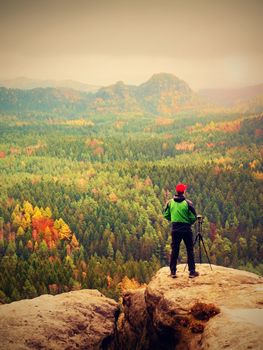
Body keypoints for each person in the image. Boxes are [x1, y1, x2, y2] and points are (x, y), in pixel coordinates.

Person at [164, 183, 199, 278]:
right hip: (186, 229)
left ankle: (173, 272)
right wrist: (188, 222)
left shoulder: (170, 202)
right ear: (184, 191)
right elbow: (193, 217)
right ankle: (192, 272)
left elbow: (166, 214)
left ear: (176, 191)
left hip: (175, 229)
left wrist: (174, 219)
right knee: (190, 250)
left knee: (175, 250)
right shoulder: (188, 203)